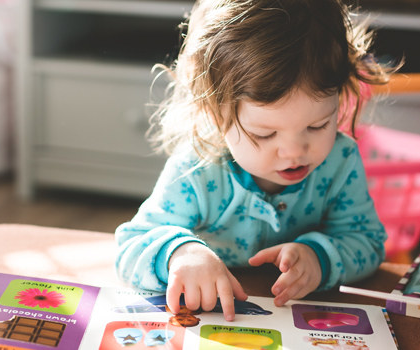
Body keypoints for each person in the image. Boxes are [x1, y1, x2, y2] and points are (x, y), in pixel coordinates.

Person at [115, 0, 395, 321]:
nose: (293, 151)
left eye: (318, 126)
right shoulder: (197, 167)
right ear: (213, 114)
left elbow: (367, 243)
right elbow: (131, 245)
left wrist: (319, 258)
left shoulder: (340, 160)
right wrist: (181, 253)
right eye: (265, 134)